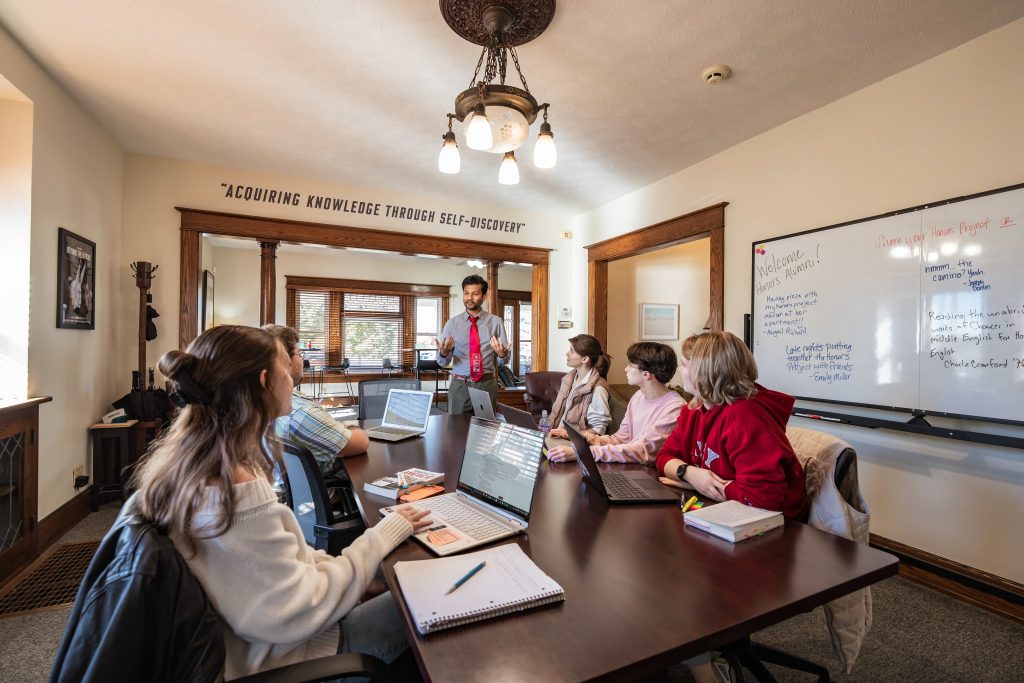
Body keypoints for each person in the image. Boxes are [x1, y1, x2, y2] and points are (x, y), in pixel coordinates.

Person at [131, 325, 431, 679]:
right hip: (305, 652)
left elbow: (284, 567)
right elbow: (301, 609)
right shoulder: (237, 497)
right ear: (264, 381)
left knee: (400, 577)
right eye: (284, 367)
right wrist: (382, 535)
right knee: (427, 597)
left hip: (272, 640)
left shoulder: (192, 468)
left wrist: (356, 574)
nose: (291, 375)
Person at [655, 330, 808, 520]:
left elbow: (763, 500)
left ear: (707, 371)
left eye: (685, 365)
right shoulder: (694, 408)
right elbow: (664, 457)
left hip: (776, 526)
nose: (680, 370)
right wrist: (690, 474)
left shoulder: (743, 415)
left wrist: (704, 485)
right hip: (729, 510)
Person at [262, 324, 368, 483]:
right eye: (299, 353)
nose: (302, 359)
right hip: (328, 489)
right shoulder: (300, 412)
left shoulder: (266, 400)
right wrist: (352, 427)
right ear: (285, 361)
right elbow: (361, 442)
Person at [546, 342, 684, 464]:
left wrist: (582, 453)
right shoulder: (638, 396)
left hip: (652, 474)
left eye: (630, 365)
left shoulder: (675, 408)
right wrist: (580, 437)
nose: (626, 369)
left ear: (646, 374)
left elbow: (641, 451)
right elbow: (620, 439)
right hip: (632, 466)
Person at [436, 274, 510, 414]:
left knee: (486, 430)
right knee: (456, 430)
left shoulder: (496, 322)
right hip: (460, 386)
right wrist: (443, 353)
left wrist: (503, 354)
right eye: (466, 293)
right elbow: (442, 363)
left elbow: (504, 361)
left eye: (475, 293)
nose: (469, 298)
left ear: (484, 296)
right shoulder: (452, 324)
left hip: (486, 384)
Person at [546, 334, 612, 441]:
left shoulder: (598, 389)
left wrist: (567, 435)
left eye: (571, 351)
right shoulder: (569, 380)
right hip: (556, 437)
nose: (567, 354)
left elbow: (599, 430)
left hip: (575, 444)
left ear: (585, 359)